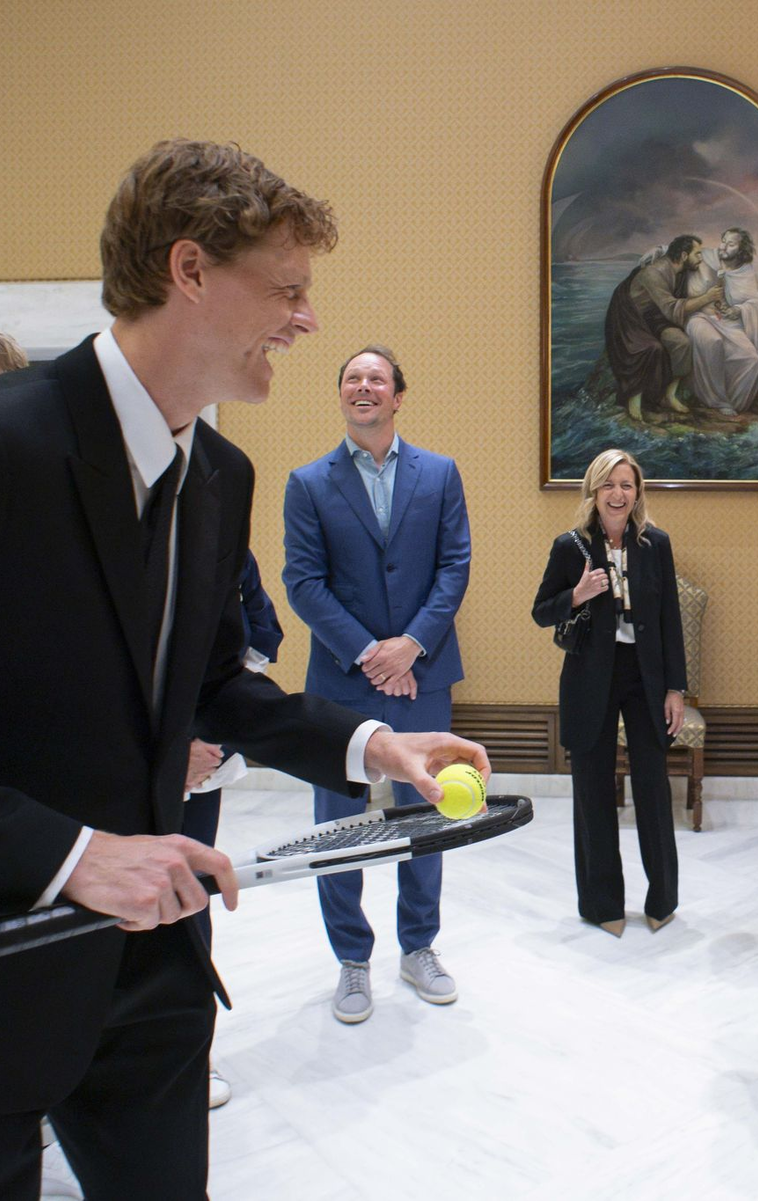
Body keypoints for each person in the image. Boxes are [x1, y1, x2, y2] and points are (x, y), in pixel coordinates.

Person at [0, 139, 489, 1201]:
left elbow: (215, 681)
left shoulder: (220, 472)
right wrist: (71, 852)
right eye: (289, 289)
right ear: (189, 270)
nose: (306, 320)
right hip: (13, 938)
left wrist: (369, 742)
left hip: (153, 975)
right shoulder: (10, 443)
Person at [284, 343, 471, 1023]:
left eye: (377, 379)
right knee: (338, 824)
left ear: (397, 396)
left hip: (424, 676)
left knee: (428, 812)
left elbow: (455, 566)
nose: (364, 387)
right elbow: (302, 582)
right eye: (353, 379)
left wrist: (411, 645)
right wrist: (370, 652)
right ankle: (352, 959)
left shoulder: (441, 473)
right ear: (342, 395)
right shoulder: (307, 483)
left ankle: (419, 946)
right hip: (342, 679)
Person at [532, 448, 687, 935]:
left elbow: (669, 622)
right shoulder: (570, 546)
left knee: (653, 790)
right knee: (593, 792)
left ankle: (662, 901)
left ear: (637, 492)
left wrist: (676, 689)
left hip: (647, 678)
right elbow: (542, 611)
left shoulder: (654, 544)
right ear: (593, 493)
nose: (618, 494)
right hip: (590, 678)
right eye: (609, 486)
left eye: (627, 485)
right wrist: (577, 594)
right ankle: (603, 906)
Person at [183, 547, 285, 1108]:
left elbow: (263, 631)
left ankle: (193, 1051)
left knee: (188, 900)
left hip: (199, 760)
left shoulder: (221, 544)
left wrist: (207, 735)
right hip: (90, 770)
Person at [604, 235, 723, 421]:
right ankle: (634, 403)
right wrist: (707, 298)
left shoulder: (679, 268)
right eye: (697, 254)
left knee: (682, 343)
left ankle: (670, 396)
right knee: (653, 349)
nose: (701, 258)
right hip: (631, 320)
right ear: (684, 255)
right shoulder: (654, 273)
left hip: (654, 317)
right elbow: (671, 308)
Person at [684, 228, 758, 416]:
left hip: (727, 323)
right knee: (712, 342)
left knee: (751, 359)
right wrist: (657, 251)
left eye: (730, 244)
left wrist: (737, 310)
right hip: (699, 317)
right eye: (723, 241)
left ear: (741, 249)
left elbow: (755, 301)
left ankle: (735, 403)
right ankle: (717, 401)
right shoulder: (706, 257)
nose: (723, 246)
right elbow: (676, 250)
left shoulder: (744, 271)